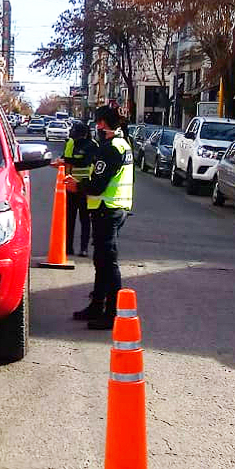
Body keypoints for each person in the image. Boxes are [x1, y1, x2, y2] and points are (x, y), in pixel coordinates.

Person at [73, 104, 134, 330]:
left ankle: (112, 313)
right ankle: (97, 304)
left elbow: (98, 185)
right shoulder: (122, 144)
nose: (96, 126)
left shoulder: (111, 149)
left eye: (98, 122)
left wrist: (77, 186)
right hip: (114, 208)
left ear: (103, 123)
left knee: (108, 262)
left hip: (107, 209)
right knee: (101, 260)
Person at [63, 121, 97, 256]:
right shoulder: (70, 143)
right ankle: (68, 247)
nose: (73, 134)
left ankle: (84, 248)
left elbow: (86, 161)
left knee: (85, 219)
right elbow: (64, 158)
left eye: (75, 132)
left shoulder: (92, 145)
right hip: (70, 187)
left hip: (84, 187)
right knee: (69, 219)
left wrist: (69, 161)